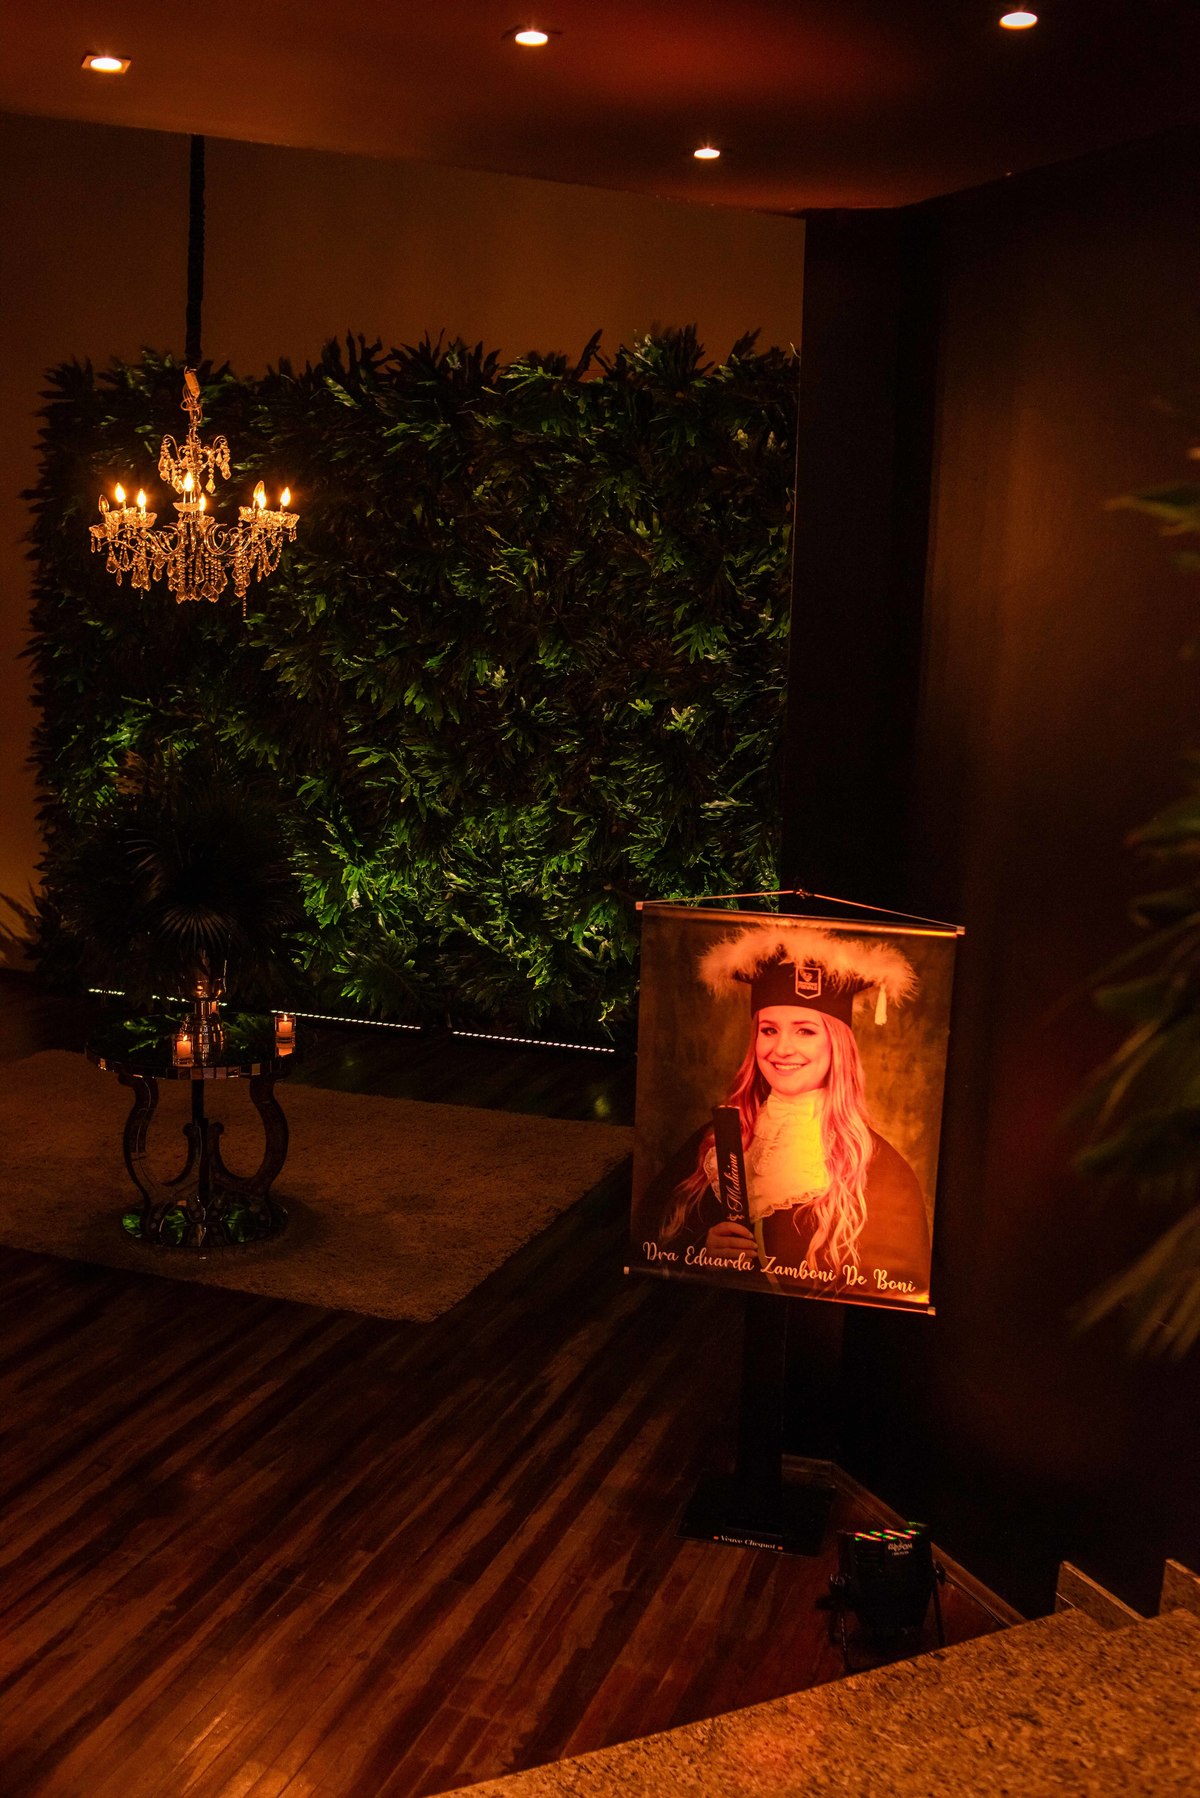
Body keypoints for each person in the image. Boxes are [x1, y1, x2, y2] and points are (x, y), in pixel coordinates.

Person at [638, 923, 932, 1305]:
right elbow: (648, 1242)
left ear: (837, 1045)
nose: (782, 1049)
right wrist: (702, 1250)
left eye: (805, 1031)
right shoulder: (712, 1142)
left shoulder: (883, 1170)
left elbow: (895, 1290)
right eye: (769, 1030)